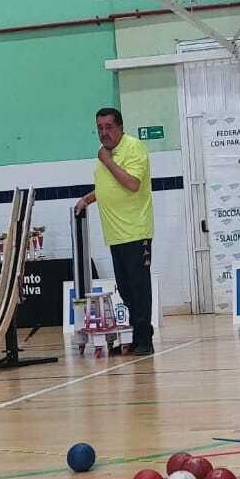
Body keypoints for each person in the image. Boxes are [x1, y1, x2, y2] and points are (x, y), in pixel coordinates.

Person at [72, 107, 154, 355]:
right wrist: (87, 199)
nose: (104, 133)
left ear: (120, 127)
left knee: (138, 288)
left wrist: (107, 161)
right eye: (99, 128)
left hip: (135, 231)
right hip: (115, 233)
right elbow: (108, 188)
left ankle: (144, 339)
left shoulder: (133, 148)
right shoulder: (105, 154)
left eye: (108, 127)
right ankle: (134, 336)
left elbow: (132, 183)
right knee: (126, 289)